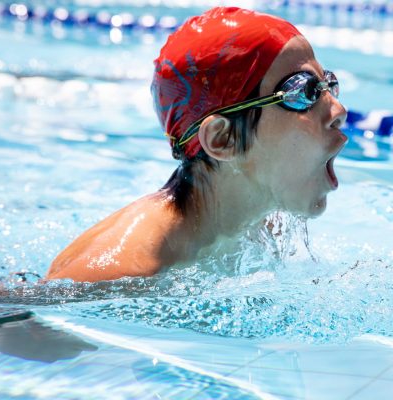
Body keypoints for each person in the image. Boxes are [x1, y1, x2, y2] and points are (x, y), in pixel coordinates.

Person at [46, 7, 348, 282]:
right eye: (303, 92)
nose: (338, 111)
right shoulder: (124, 274)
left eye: (327, 84)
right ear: (222, 139)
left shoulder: (258, 217)